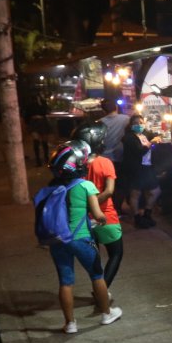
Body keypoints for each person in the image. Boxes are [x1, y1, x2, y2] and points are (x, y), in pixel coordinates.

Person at [45, 141, 123, 334]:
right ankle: (107, 313)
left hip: (57, 240)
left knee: (66, 281)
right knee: (97, 275)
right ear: (77, 165)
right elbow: (98, 215)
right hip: (80, 239)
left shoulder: (50, 188)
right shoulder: (85, 186)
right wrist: (101, 220)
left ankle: (70, 323)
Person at [73, 122, 123, 294]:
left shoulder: (77, 164)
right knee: (116, 254)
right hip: (105, 216)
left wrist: (86, 207)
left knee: (95, 260)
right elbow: (109, 191)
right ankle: (102, 291)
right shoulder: (105, 162)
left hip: (83, 220)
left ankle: (99, 288)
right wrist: (94, 205)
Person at [122, 114, 162, 228]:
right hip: (136, 169)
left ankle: (147, 213)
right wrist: (151, 143)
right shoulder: (128, 138)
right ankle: (137, 218)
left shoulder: (145, 134)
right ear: (131, 125)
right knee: (136, 193)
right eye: (135, 123)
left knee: (156, 191)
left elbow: (156, 135)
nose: (139, 125)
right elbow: (139, 152)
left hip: (147, 167)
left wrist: (158, 137)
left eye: (141, 122)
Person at [99, 98, 130, 211]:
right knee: (120, 184)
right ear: (116, 107)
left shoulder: (100, 122)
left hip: (104, 158)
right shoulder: (125, 119)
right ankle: (117, 208)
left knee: (106, 185)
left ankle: (107, 207)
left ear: (103, 111)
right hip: (119, 156)